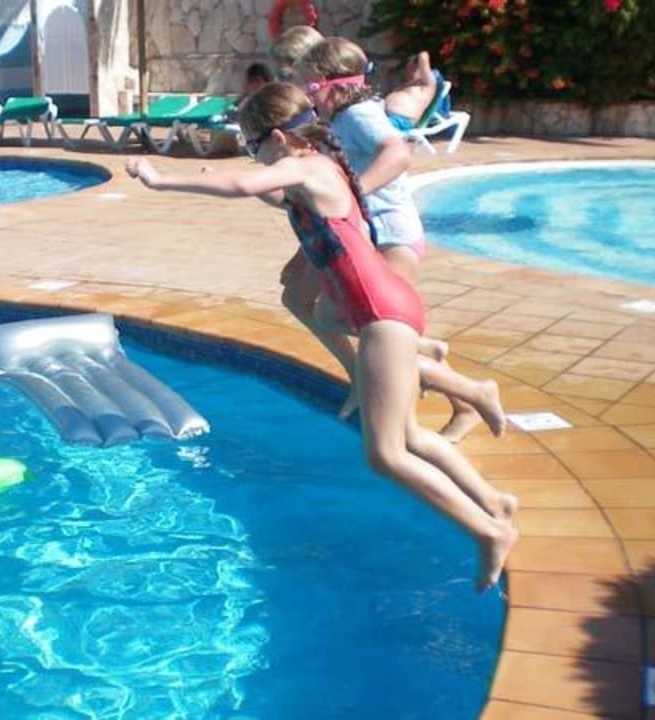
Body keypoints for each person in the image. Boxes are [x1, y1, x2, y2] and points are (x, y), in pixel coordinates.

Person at [124, 82, 518, 593]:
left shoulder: (308, 166)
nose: (254, 157)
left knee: (385, 454)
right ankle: (494, 501)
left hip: (381, 314)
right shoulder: (315, 171)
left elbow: (246, 183)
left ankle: (488, 531)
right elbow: (269, 192)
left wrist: (161, 179)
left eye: (253, 146)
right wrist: (226, 177)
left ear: (279, 138)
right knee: (411, 437)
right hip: (386, 309)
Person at [292, 36, 503, 441]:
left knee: (382, 333)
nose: (309, 96)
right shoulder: (341, 119)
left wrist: (354, 196)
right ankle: (433, 361)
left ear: (336, 85)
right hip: (375, 236)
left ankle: (470, 396)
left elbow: (398, 153)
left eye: (312, 87)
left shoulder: (358, 115)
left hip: (393, 235)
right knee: (330, 315)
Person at [383, 51, 438, 131]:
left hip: (400, 120)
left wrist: (416, 59)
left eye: (411, 64)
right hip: (384, 117)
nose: (408, 67)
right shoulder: (407, 84)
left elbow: (423, 55)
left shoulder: (427, 84)